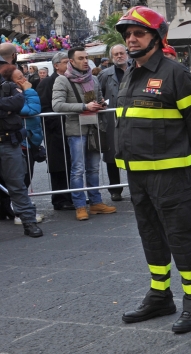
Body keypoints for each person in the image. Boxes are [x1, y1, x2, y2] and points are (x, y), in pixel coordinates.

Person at [114, 6, 191, 333]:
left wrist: (188, 159)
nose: (131, 39)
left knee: (181, 236)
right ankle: (160, 295)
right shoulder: (131, 72)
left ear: (156, 37)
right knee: (151, 235)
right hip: (137, 173)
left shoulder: (175, 73)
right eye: (128, 35)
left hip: (169, 173)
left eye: (138, 33)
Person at [52, 47, 118, 221]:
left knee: (94, 168)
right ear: (71, 61)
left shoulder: (94, 79)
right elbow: (57, 105)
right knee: (78, 169)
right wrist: (84, 107)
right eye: (80, 58)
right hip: (76, 130)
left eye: (86, 58)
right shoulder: (62, 80)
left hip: (93, 128)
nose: (85, 61)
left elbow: (99, 97)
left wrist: (101, 104)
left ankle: (96, 203)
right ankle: (80, 205)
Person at [0, 63, 43, 237]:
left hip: (9, 143)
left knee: (17, 185)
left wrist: (10, 108)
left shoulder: (8, 86)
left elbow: (18, 102)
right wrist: (6, 109)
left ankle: (29, 222)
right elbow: (13, 104)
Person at [38, 51, 74, 211]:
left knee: (74, 164)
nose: (69, 65)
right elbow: (44, 107)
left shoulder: (72, 79)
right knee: (59, 165)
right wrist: (55, 125)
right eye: (66, 62)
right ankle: (60, 199)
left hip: (72, 129)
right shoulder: (47, 83)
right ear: (56, 65)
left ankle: (73, 195)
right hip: (56, 131)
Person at [97, 44, 128, 201]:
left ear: (127, 54)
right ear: (111, 57)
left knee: (133, 153)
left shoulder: (136, 71)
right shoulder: (104, 74)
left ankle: (137, 187)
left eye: (121, 53)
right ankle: (115, 189)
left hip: (132, 119)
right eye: (116, 54)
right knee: (112, 155)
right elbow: (98, 94)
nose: (119, 56)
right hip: (112, 121)